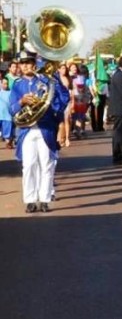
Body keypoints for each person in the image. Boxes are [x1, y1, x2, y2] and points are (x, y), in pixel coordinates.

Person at [9, 51, 70, 213]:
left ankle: (44, 199)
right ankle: (30, 200)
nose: (26, 66)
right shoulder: (17, 85)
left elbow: (63, 99)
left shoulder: (46, 81)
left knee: (46, 165)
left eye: (29, 62)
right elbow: (12, 109)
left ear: (34, 64)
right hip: (26, 130)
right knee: (28, 165)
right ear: (20, 67)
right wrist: (22, 101)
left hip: (46, 128)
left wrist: (56, 79)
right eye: (23, 63)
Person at [56, 63, 73, 147]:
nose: (64, 70)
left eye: (65, 68)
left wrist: (72, 102)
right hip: (59, 101)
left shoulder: (68, 78)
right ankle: (60, 138)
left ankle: (67, 138)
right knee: (60, 120)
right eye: (62, 68)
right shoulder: (56, 79)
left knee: (67, 119)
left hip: (67, 101)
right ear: (58, 69)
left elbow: (71, 90)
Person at [0, 77, 14, 149]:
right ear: (1, 83)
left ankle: (8, 143)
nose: (5, 85)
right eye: (4, 83)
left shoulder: (11, 92)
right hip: (0, 116)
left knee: (7, 134)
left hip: (7, 116)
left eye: (7, 84)